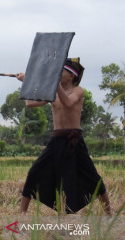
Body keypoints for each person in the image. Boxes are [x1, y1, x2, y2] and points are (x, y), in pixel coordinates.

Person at [17, 58, 111, 215]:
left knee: (94, 179)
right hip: (56, 140)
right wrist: (27, 83)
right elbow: (30, 103)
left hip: (74, 140)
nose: (57, 74)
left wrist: (54, 84)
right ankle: (21, 215)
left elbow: (68, 103)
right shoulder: (53, 92)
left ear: (71, 76)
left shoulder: (78, 91)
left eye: (61, 71)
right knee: (34, 172)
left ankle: (109, 215)